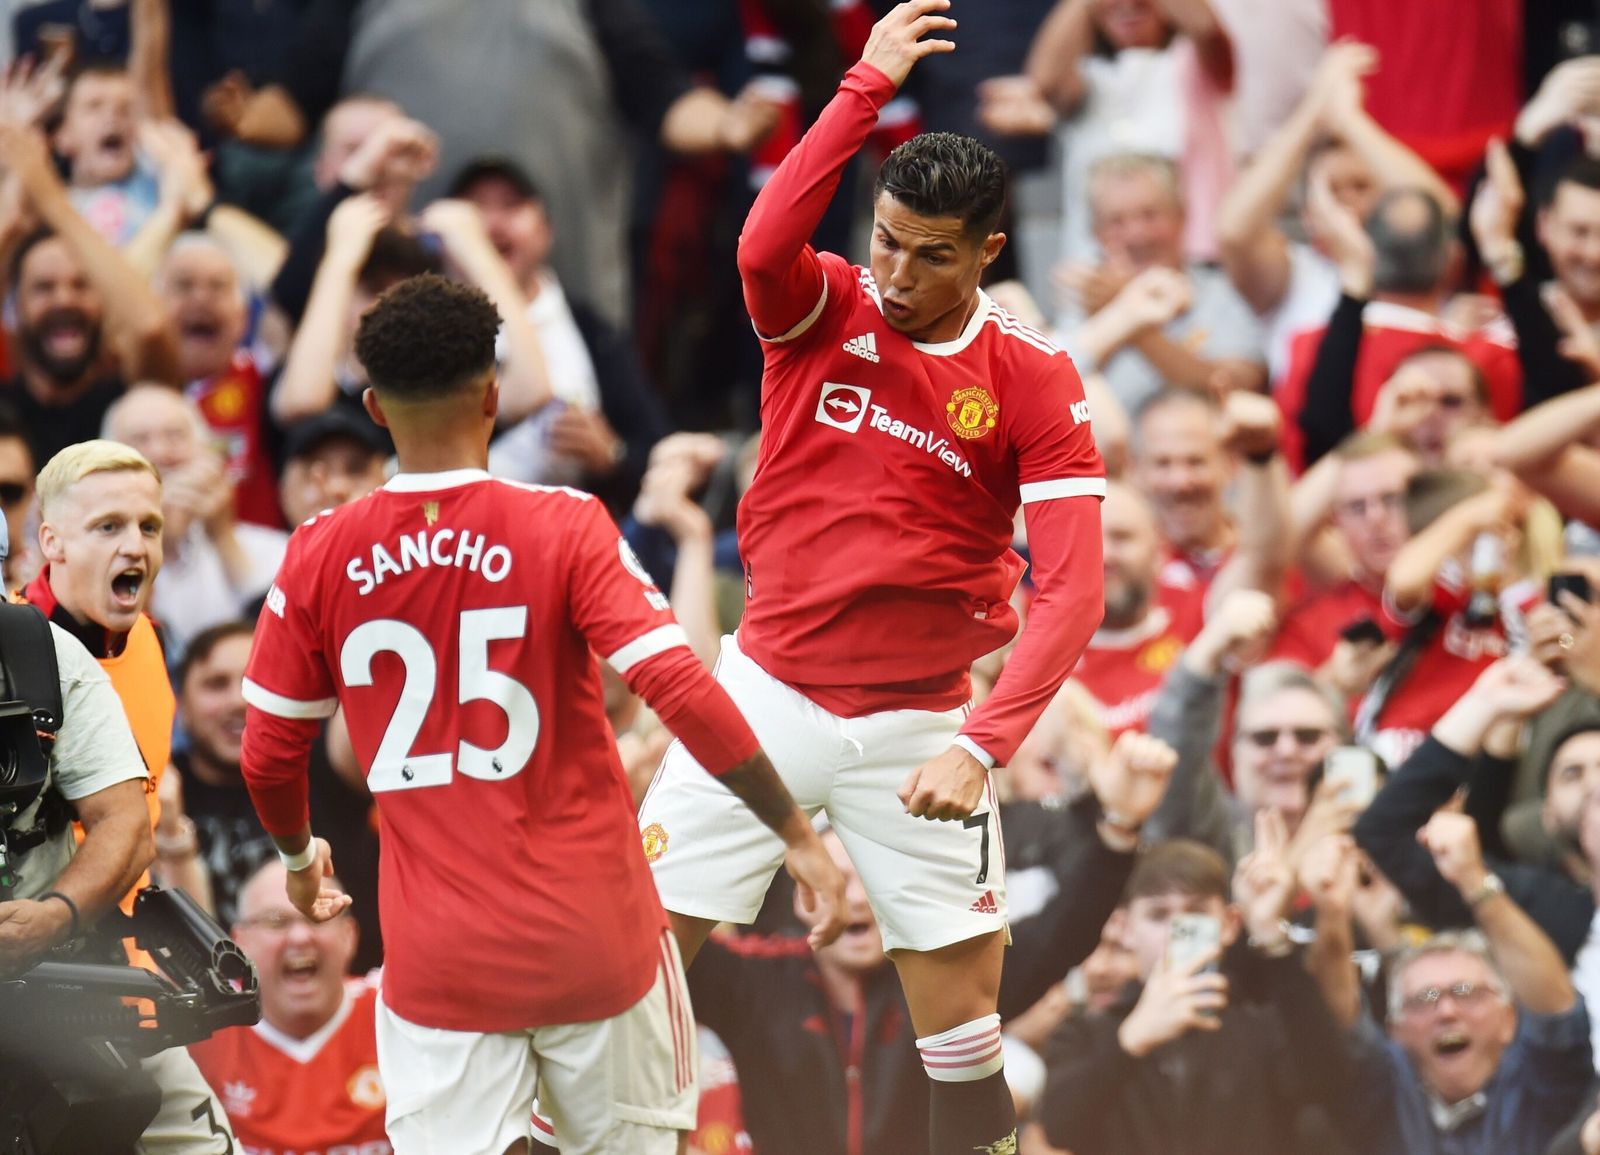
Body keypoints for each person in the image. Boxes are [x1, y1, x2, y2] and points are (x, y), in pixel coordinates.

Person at [638, 6, 1107, 1151]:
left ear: (987, 251)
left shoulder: (1033, 381)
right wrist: (859, 92)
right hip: (762, 695)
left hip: (920, 728)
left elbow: (1074, 591)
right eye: (887, 238)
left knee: (963, 1038)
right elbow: (758, 249)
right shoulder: (819, 306)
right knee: (627, 977)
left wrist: (983, 741)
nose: (896, 272)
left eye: (931, 252)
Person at [238, 273, 844, 1155]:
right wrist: (794, 831)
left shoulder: (319, 551)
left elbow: (266, 755)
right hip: (597, 944)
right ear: (493, 395)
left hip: (439, 964)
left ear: (373, 405)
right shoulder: (565, 524)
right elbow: (680, 687)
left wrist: (297, 858)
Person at [0, 554, 237, 1152]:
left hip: (58, 969)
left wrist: (54, 915)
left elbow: (126, 825)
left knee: (197, 1141)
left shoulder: (42, 657)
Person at [1037, 820, 1356, 1155]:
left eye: (1196, 912)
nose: (1177, 930)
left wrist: (1271, 937)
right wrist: (1130, 1042)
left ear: (1230, 924)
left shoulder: (1263, 1027)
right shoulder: (1085, 1034)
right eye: (1158, 915)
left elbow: (1330, 1083)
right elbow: (1061, 1128)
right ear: (1124, 927)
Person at [1346, 811, 1591, 1155]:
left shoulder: (1542, 1088)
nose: (1446, 1011)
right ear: (1396, 1031)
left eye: (1466, 992)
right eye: (1426, 998)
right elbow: (1338, 1043)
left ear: (1509, 1017)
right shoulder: (1386, 1090)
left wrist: (1474, 880)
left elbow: (1557, 1013)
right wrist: (1333, 915)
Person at [0, 119, 178, 466]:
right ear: (14, 306)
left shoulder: (127, 397)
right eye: (43, 287)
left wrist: (51, 197)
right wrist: (10, 213)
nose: (64, 300)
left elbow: (149, 327)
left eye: (82, 285)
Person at [189, 859, 389, 1155]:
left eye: (318, 918)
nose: (299, 937)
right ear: (239, 943)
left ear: (350, 935)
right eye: (276, 922)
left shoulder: (395, 1017)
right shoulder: (201, 1029)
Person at [103, 383, 287, 653]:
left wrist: (223, 537)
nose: (160, 453)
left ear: (207, 453)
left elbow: (279, 635)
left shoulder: (271, 548)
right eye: (139, 440)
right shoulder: (95, 563)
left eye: (175, 436)